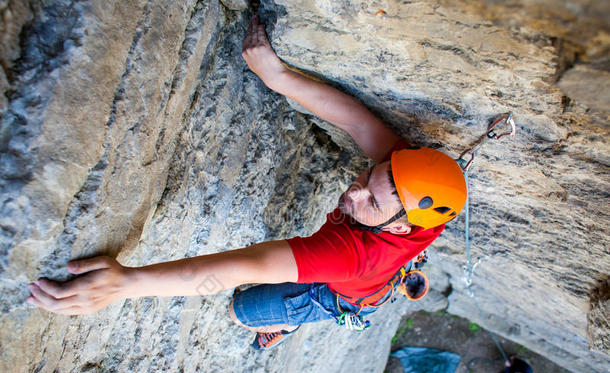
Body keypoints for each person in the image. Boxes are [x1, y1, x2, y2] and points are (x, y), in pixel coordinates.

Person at [26, 16, 467, 350]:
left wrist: (126, 284)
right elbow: (354, 120)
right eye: (366, 177)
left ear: (399, 229)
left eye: (369, 201)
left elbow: (239, 268)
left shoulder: (349, 254)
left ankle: (290, 319)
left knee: (243, 310)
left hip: (343, 292)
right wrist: (277, 77)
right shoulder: (410, 185)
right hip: (374, 275)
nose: (353, 191)